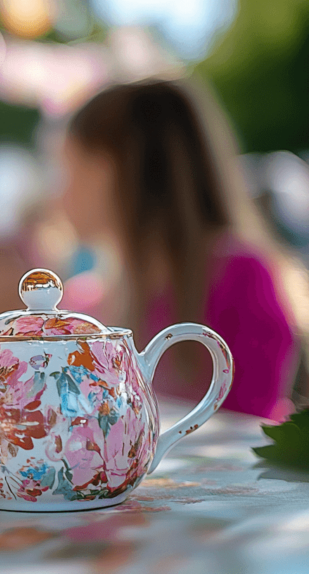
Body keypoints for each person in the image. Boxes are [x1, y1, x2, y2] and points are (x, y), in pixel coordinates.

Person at [59, 79, 309, 420]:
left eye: (70, 169)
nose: (59, 193)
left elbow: (247, 433)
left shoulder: (242, 280)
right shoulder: (90, 301)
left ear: (111, 171)